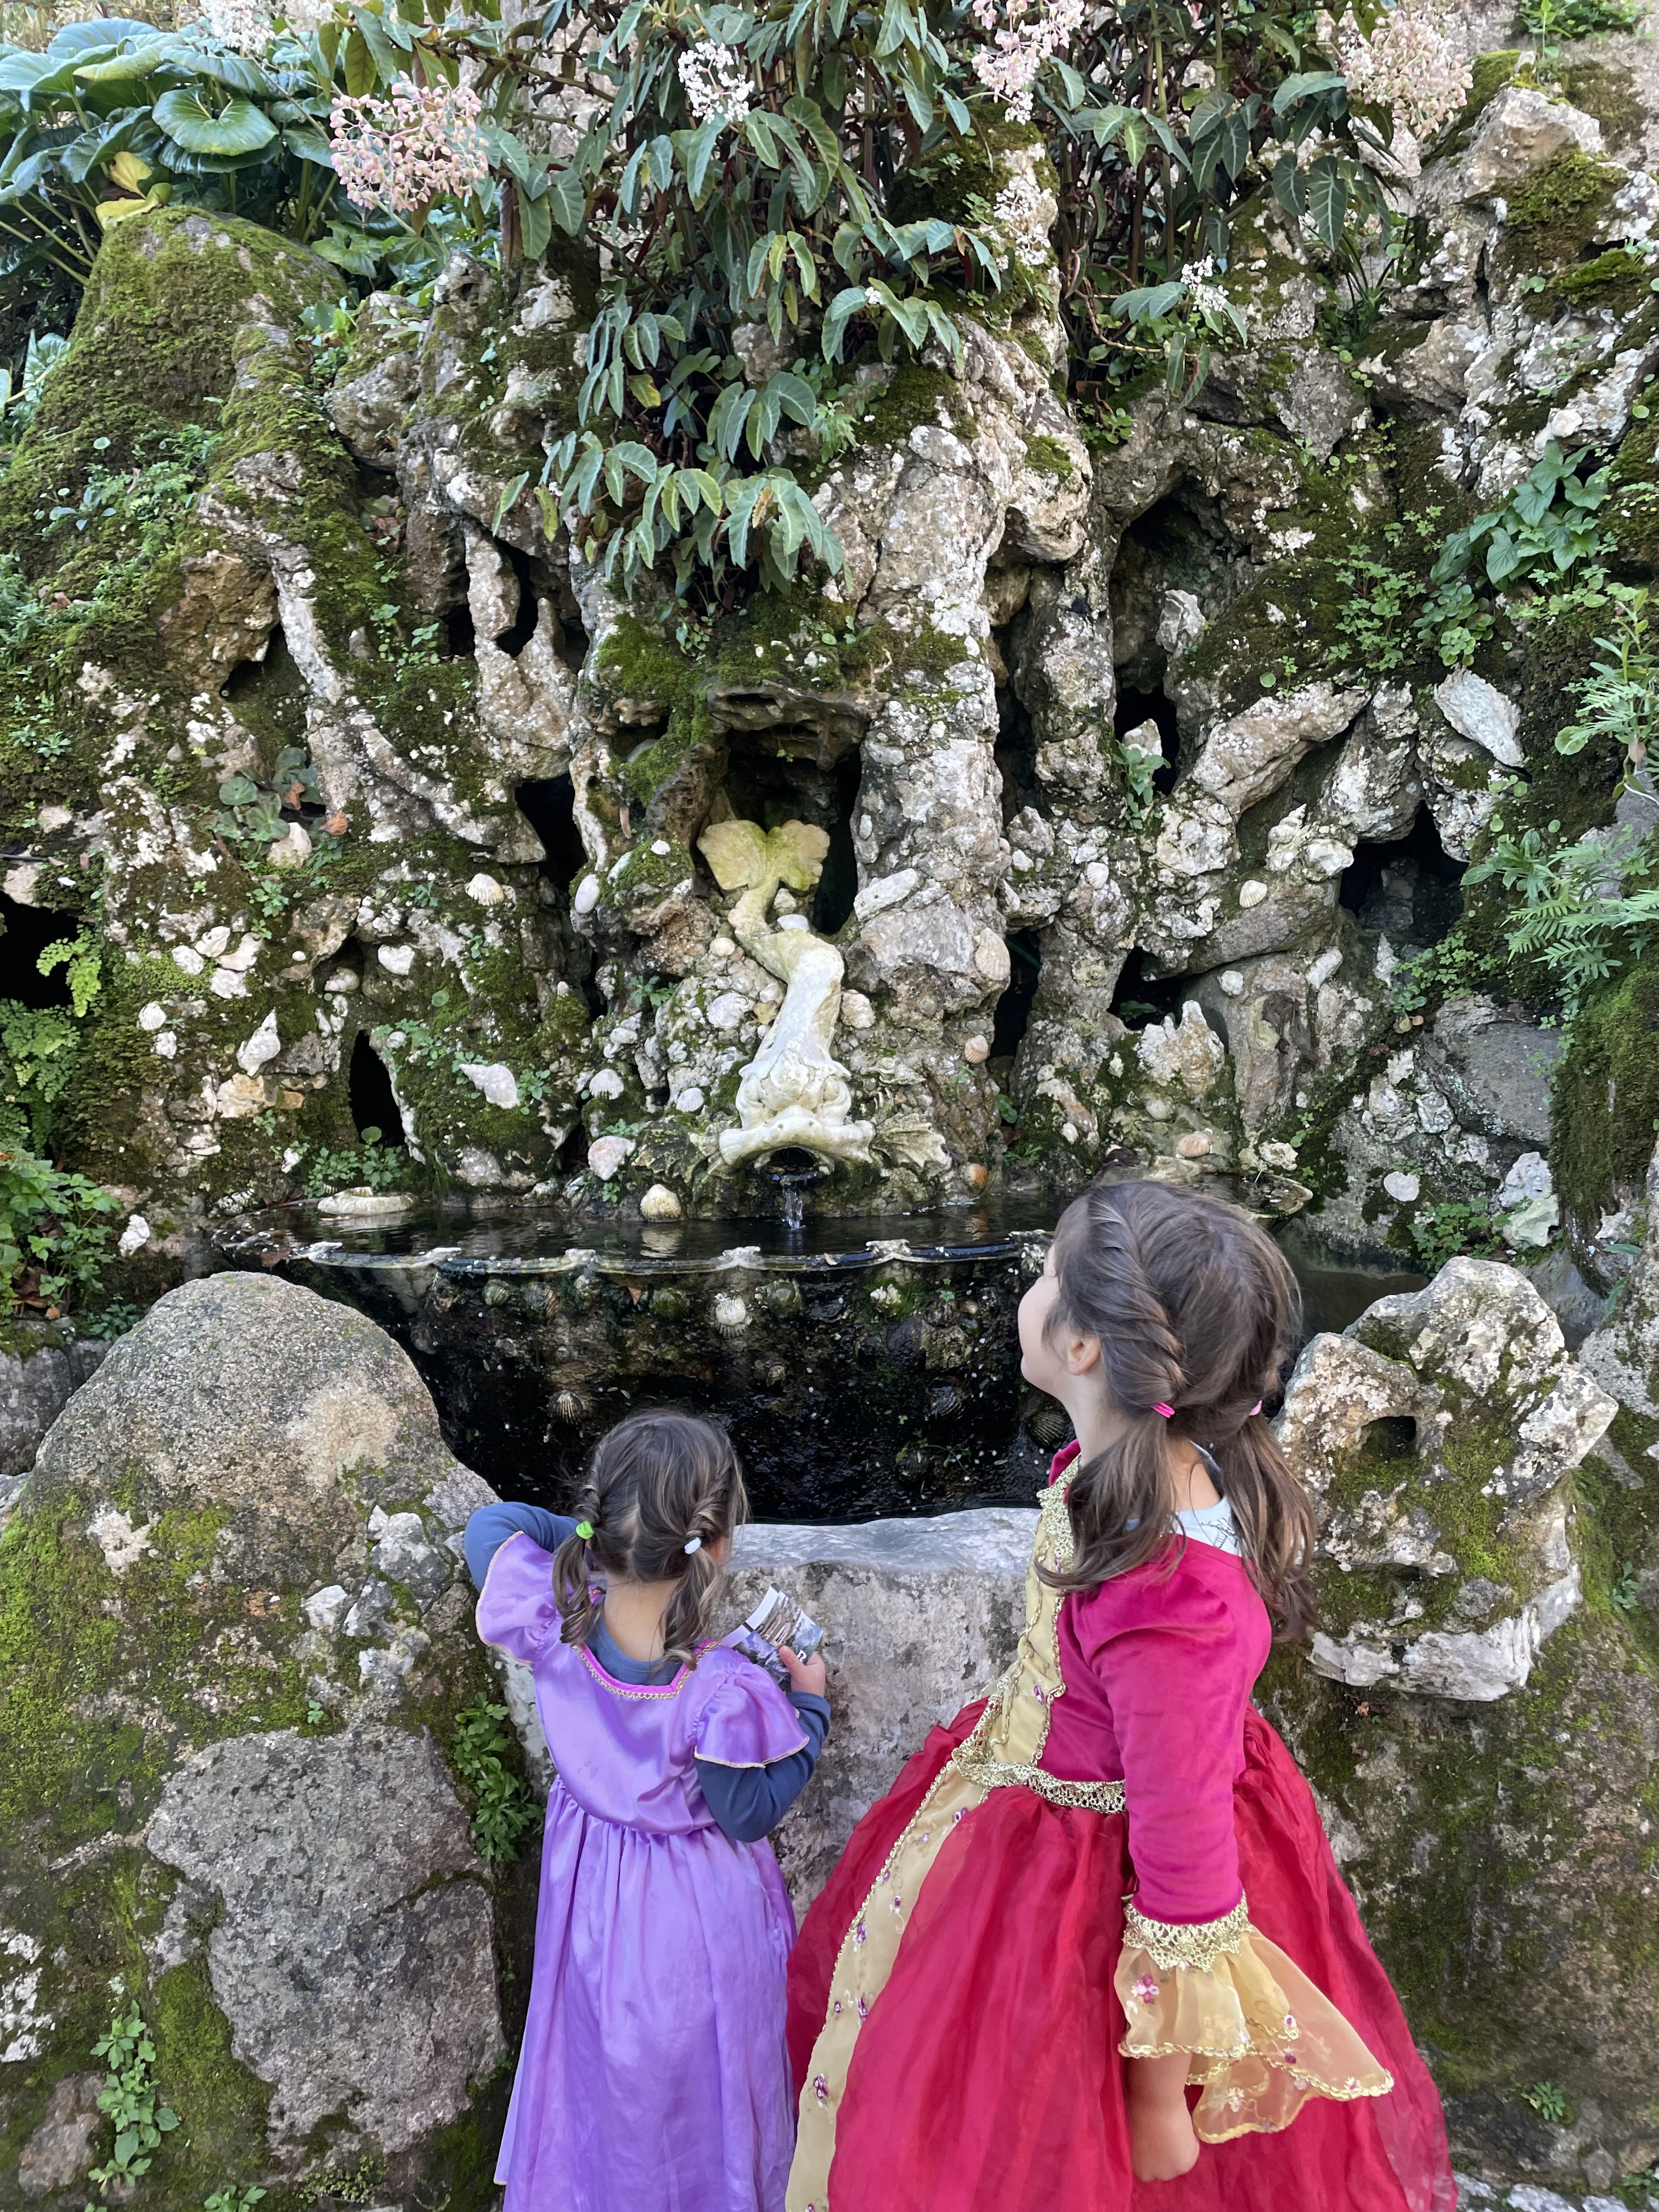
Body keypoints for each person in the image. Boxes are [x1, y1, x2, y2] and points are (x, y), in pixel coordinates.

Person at [785, 1179, 1455, 2212]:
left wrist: (1153, 2095)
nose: (1032, 1286)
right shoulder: (1131, 1474)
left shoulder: (1172, 1600)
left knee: (1059, 2147)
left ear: (1087, 1346)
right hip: (1033, 1820)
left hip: (1103, 1903)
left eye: (1049, 1274)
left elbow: (1183, 1869)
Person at [466, 1409, 831, 2212]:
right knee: (713, 2072)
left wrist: (597, 1548)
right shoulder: (722, 1687)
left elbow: (488, 1526)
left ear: (601, 1522)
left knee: (605, 2066)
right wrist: (810, 1711)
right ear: (718, 1541)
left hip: (594, 1898)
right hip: (699, 1919)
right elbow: (747, 1812)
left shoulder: (557, 1613)